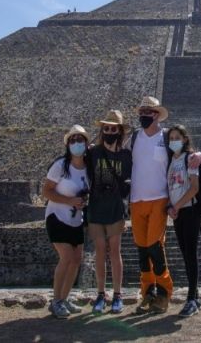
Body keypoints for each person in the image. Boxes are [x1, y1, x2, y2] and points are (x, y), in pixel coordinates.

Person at [128, 96, 201, 314]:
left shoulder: (166, 137)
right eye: (142, 112)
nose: (144, 116)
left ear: (157, 115)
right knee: (142, 250)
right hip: (136, 200)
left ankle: (164, 292)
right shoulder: (133, 137)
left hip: (159, 199)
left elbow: (185, 152)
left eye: (148, 112)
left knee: (155, 246)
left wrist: (198, 154)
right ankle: (147, 292)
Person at [86, 110, 132, 315]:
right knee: (99, 252)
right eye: (106, 128)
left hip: (115, 208)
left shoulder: (125, 156)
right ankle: (100, 293)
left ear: (120, 131)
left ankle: (117, 294)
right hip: (96, 208)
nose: (109, 131)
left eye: (113, 128)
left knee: (114, 252)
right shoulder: (93, 153)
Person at [43, 124, 91, 319]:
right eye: (73, 140)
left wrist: (81, 202)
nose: (76, 143)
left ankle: (64, 297)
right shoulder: (60, 166)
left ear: (86, 143)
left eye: (80, 140)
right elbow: (46, 191)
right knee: (67, 257)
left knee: (76, 260)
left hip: (75, 219)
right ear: (68, 144)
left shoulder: (88, 168)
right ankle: (56, 301)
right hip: (57, 217)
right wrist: (69, 201)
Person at [166, 125, 201, 317]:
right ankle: (195, 297)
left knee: (191, 255)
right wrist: (172, 208)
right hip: (178, 213)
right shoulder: (171, 159)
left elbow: (194, 188)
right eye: (171, 137)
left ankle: (190, 300)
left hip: (189, 211)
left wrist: (177, 206)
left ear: (184, 139)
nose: (173, 141)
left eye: (176, 137)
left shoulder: (190, 159)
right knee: (186, 254)